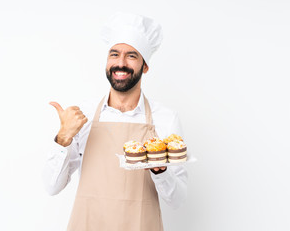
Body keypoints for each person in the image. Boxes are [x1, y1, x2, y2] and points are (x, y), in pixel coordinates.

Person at [43, 12, 188, 231]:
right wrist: (63, 138)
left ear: (145, 66)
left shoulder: (165, 119)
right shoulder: (84, 115)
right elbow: (52, 187)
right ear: (107, 61)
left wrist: (161, 170)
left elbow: (178, 200)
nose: (120, 63)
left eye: (131, 56)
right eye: (114, 54)